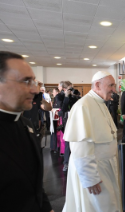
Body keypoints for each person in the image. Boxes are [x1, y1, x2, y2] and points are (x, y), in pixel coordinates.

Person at [0, 51, 53, 212]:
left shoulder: (26, 124)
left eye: (34, 82)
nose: (34, 90)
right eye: (25, 81)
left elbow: (33, 182)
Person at [62, 71, 121, 212]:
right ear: (97, 85)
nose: (114, 89)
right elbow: (80, 146)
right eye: (111, 85)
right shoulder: (83, 106)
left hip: (105, 167)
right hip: (94, 171)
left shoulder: (100, 102)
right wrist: (90, 178)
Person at [60, 81, 79, 172]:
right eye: (69, 88)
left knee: (76, 141)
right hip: (66, 121)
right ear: (64, 89)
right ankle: (66, 162)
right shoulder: (60, 96)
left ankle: (75, 161)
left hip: (75, 121)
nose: (71, 90)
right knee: (67, 142)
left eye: (72, 88)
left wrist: (74, 96)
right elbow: (63, 109)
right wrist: (67, 97)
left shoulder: (73, 97)